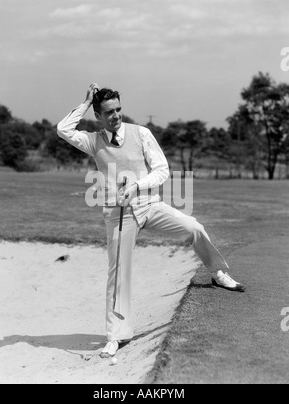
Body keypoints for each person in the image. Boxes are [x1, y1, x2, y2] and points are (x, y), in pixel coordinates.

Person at [57, 83, 245, 358]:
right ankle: (115, 336)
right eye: (109, 112)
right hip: (117, 214)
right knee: (118, 273)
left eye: (119, 109)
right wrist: (84, 103)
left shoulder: (141, 133)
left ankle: (217, 272)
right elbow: (63, 129)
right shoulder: (92, 140)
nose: (116, 116)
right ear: (98, 115)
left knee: (194, 227)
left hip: (149, 205)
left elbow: (161, 171)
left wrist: (137, 186)